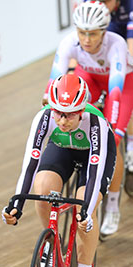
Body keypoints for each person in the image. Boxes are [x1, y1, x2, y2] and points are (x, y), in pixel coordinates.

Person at [4, 74, 116, 267]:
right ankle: (53, 244)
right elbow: (30, 164)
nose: (63, 121)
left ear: (81, 110)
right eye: (58, 113)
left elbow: (95, 172)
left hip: (92, 159)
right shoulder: (44, 118)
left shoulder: (97, 124)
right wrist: (17, 204)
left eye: (70, 114)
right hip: (63, 149)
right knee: (42, 188)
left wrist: (86, 209)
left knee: (83, 205)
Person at [44, 0, 133, 236]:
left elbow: (115, 93)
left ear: (104, 31)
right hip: (89, 78)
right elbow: (54, 85)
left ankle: (112, 204)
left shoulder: (116, 45)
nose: (86, 39)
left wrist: (110, 129)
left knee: (111, 140)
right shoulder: (68, 43)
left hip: (121, 83)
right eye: (82, 33)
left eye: (93, 34)